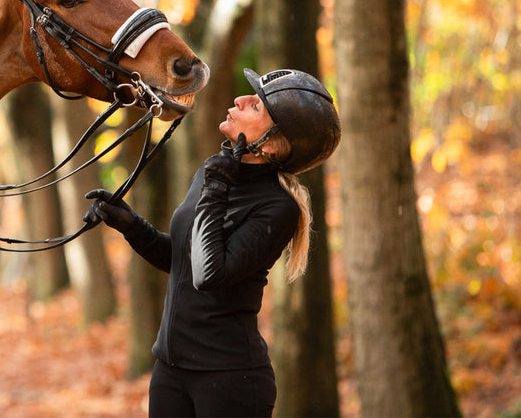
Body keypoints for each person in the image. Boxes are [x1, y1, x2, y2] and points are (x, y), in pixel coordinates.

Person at [84, 68, 341, 417]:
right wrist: (130, 224)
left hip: (230, 381)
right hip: (169, 371)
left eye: (256, 107)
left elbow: (209, 274)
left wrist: (219, 186)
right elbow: (184, 261)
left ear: (270, 143)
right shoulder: (212, 170)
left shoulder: (276, 208)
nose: (240, 100)